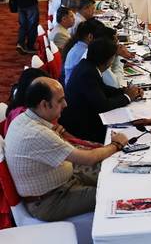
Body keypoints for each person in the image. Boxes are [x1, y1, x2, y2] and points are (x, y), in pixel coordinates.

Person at [4, 77, 129, 221]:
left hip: (62, 183)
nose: (65, 104)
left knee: (116, 176)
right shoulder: (36, 133)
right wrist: (116, 145)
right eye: (60, 101)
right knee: (112, 193)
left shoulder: (23, 119)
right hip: (51, 201)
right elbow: (89, 159)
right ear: (44, 104)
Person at [60, 38, 142, 143]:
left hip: (83, 118)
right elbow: (103, 105)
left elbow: (103, 89)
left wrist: (124, 91)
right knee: (130, 132)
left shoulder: (88, 66)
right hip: (82, 128)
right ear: (109, 60)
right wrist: (127, 97)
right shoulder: (88, 73)